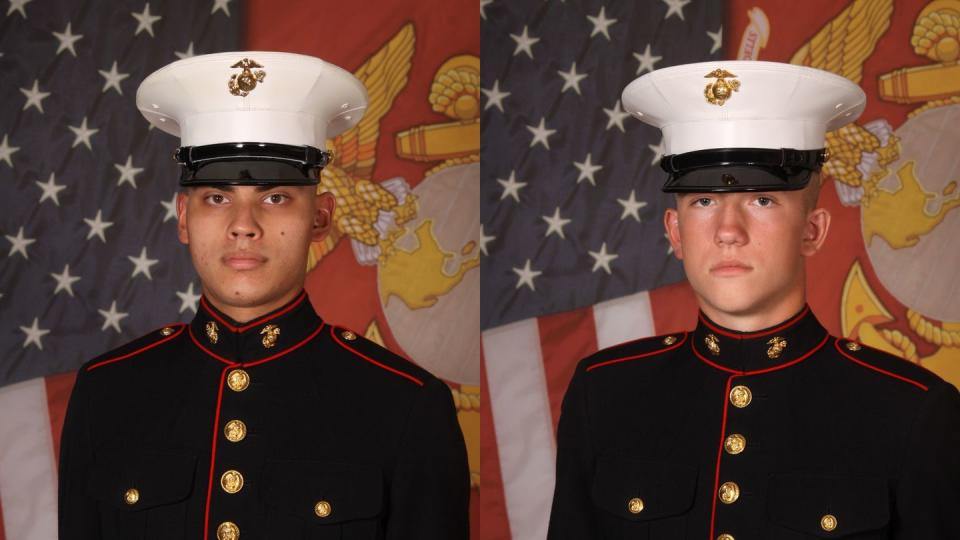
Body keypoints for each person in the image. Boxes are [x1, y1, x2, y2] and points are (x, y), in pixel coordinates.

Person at [58, 52, 469, 540]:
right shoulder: (107, 394)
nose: (243, 227)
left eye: (275, 198)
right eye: (216, 198)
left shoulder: (407, 408)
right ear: (184, 218)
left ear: (320, 218)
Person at [547, 61, 960, 539]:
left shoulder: (913, 414)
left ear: (812, 230)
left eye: (762, 200)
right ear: (675, 232)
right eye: (703, 201)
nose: (727, 231)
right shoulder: (605, 396)